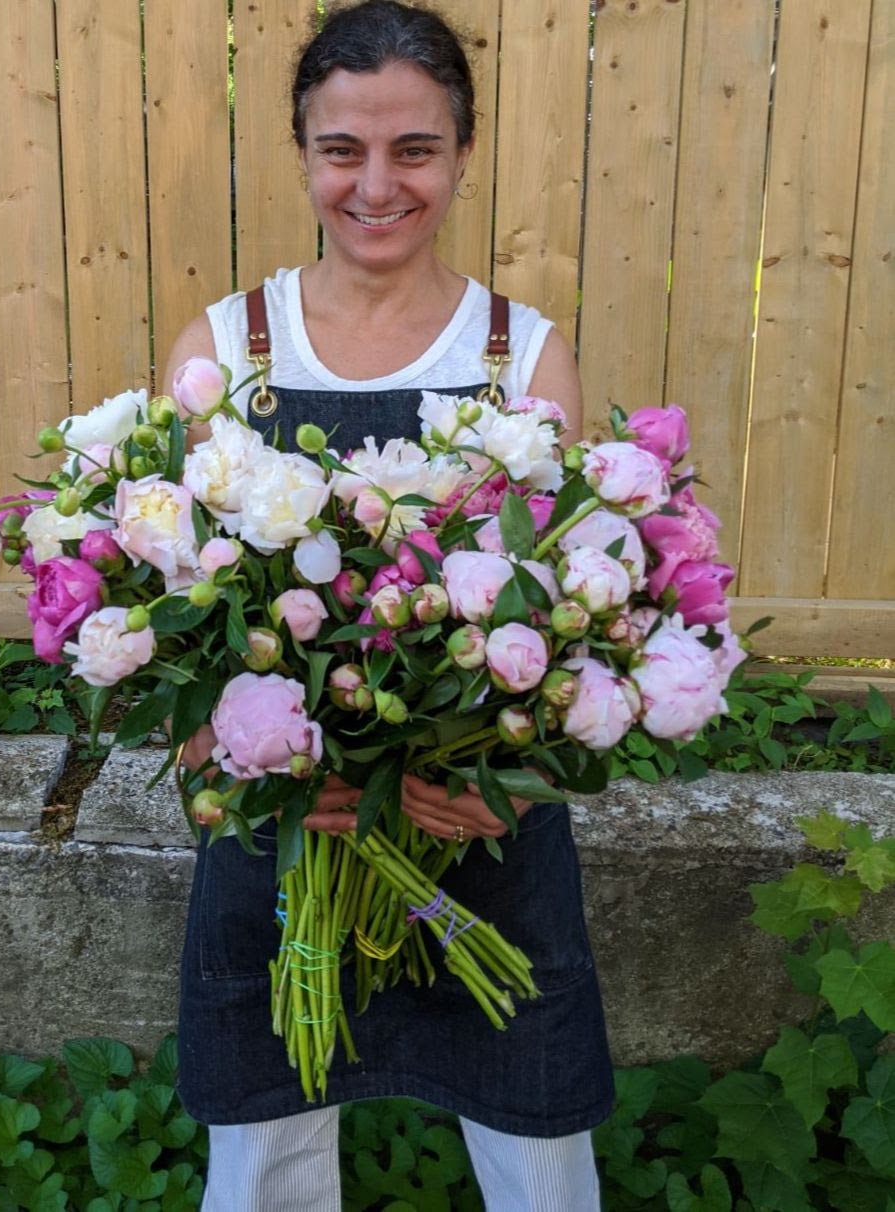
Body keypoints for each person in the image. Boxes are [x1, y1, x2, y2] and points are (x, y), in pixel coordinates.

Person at [163, 3, 614, 1208]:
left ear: (462, 154)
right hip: (286, 829)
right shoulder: (229, 352)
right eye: (341, 150)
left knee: (536, 1139)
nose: (376, 184)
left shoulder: (519, 357)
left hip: (474, 821)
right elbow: (174, 619)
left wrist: (502, 774)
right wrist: (258, 759)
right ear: (301, 153)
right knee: (265, 1139)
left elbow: (573, 613)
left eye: (413, 149)